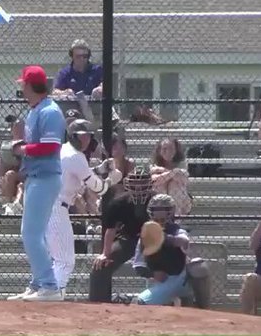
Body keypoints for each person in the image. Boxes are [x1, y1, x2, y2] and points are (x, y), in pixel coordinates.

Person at [6, 65, 67, 302]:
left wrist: (21, 148)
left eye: (23, 84)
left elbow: (51, 146)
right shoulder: (35, 110)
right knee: (35, 234)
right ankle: (38, 283)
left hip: (46, 177)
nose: (22, 87)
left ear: (31, 86)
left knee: (30, 234)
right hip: (36, 176)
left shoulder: (49, 111)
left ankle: (50, 287)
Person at [45, 118, 96, 293]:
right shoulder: (75, 155)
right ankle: (53, 293)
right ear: (73, 136)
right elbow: (97, 186)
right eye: (82, 136)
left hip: (48, 205)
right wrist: (112, 179)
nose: (86, 140)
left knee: (58, 259)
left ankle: (47, 290)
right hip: (56, 208)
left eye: (88, 136)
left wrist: (100, 170)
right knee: (65, 261)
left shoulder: (63, 150)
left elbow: (76, 177)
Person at [88, 164, 153, 303]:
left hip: (152, 240)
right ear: (128, 184)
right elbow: (110, 230)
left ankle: (167, 302)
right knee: (100, 267)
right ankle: (98, 305)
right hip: (128, 239)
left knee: (167, 263)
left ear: (149, 184)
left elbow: (164, 227)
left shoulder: (156, 200)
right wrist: (105, 254)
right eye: (135, 184)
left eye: (142, 184)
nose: (139, 188)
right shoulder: (119, 202)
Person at [129, 194, 190, 305]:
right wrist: (153, 274)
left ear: (170, 211)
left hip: (176, 277)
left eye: (163, 209)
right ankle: (171, 301)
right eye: (156, 209)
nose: (159, 212)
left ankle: (191, 301)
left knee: (199, 267)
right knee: (139, 302)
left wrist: (163, 238)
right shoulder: (146, 234)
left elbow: (184, 241)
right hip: (156, 280)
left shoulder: (176, 230)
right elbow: (138, 265)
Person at [149, 137, 192, 216]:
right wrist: (174, 172)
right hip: (159, 196)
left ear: (176, 151)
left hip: (181, 201)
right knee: (160, 185)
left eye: (171, 149)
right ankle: (161, 215)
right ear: (159, 151)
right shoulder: (154, 163)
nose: (168, 151)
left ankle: (176, 217)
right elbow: (154, 181)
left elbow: (183, 179)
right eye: (164, 148)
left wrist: (162, 171)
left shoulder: (182, 163)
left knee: (174, 184)